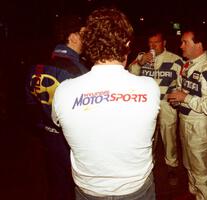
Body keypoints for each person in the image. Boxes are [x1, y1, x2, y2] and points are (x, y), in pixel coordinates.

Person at [51, 7, 160, 200]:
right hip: (136, 189)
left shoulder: (64, 91)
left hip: (89, 191)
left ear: (88, 44)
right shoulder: (149, 87)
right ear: (126, 44)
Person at [25, 15, 88, 200]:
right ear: (73, 37)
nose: (88, 37)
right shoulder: (78, 72)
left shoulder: (36, 66)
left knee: (57, 185)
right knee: (77, 187)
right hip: (71, 142)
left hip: (47, 138)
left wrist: (45, 127)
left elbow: (29, 104)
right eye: (84, 33)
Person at [167, 27, 207, 200]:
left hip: (199, 124)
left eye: (185, 42)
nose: (181, 46)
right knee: (189, 163)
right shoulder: (187, 65)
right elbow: (185, 91)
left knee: (200, 168)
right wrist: (178, 99)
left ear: (199, 45)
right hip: (185, 120)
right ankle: (194, 193)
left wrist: (186, 98)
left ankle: (204, 196)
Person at [128, 28, 183, 185]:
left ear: (164, 43)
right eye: (150, 43)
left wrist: (177, 98)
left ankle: (172, 166)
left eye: (156, 42)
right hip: (146, 106)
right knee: (148, 137)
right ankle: (148, 167)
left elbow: (183, 83)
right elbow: (130, 75)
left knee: (169, 138)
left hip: (166, 105)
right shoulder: (141, 58)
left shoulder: (175, 60)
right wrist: (140, 62)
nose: (153, 46)